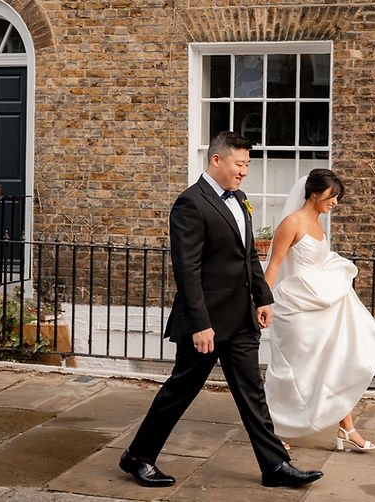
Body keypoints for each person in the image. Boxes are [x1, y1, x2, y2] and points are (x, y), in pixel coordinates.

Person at [119, 131, 322, 489]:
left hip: (241, 318)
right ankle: (138, 457)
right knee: (181, 390)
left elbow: (247, 257)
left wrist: (263, 298)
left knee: (252, 392)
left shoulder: (240, 198)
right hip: (207, 323)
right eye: (239, 164)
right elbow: (187, 269)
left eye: (247, 164)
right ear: (217, 160)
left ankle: (275, 466)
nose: (244, 171)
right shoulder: (190, 204)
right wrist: (200, 324)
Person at [262, 169, 375, 451]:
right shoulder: (290, 223)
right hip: (296, 309)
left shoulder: (318, 224)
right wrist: (262, 302)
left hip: (322, 304)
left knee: (338, 362)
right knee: (289, 371)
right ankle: (270, 431)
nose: (335, 203)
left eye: (337, 198)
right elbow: (274, 266)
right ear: (314, 193)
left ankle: (347, 428)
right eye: (332, 197)